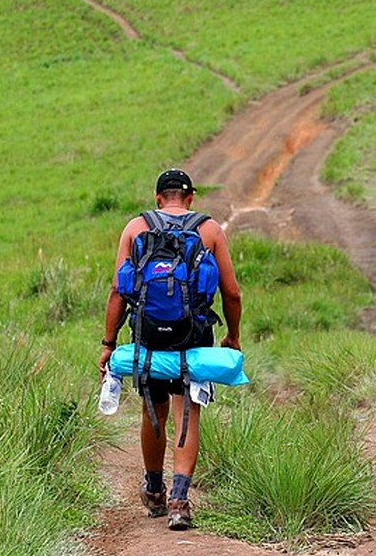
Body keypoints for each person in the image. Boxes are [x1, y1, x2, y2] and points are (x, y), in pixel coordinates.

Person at [98, 169, 242, 531]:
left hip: (147, 337)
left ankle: (153, 490)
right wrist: (233, 336)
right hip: (192, 335)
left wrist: (109, 344)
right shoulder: (209, 230)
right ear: (190, 197)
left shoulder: (135, 228)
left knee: (153, 413)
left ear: (158, 198)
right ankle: (180, 501)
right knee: (187, 413)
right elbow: (232, 293)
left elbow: (118, 290)